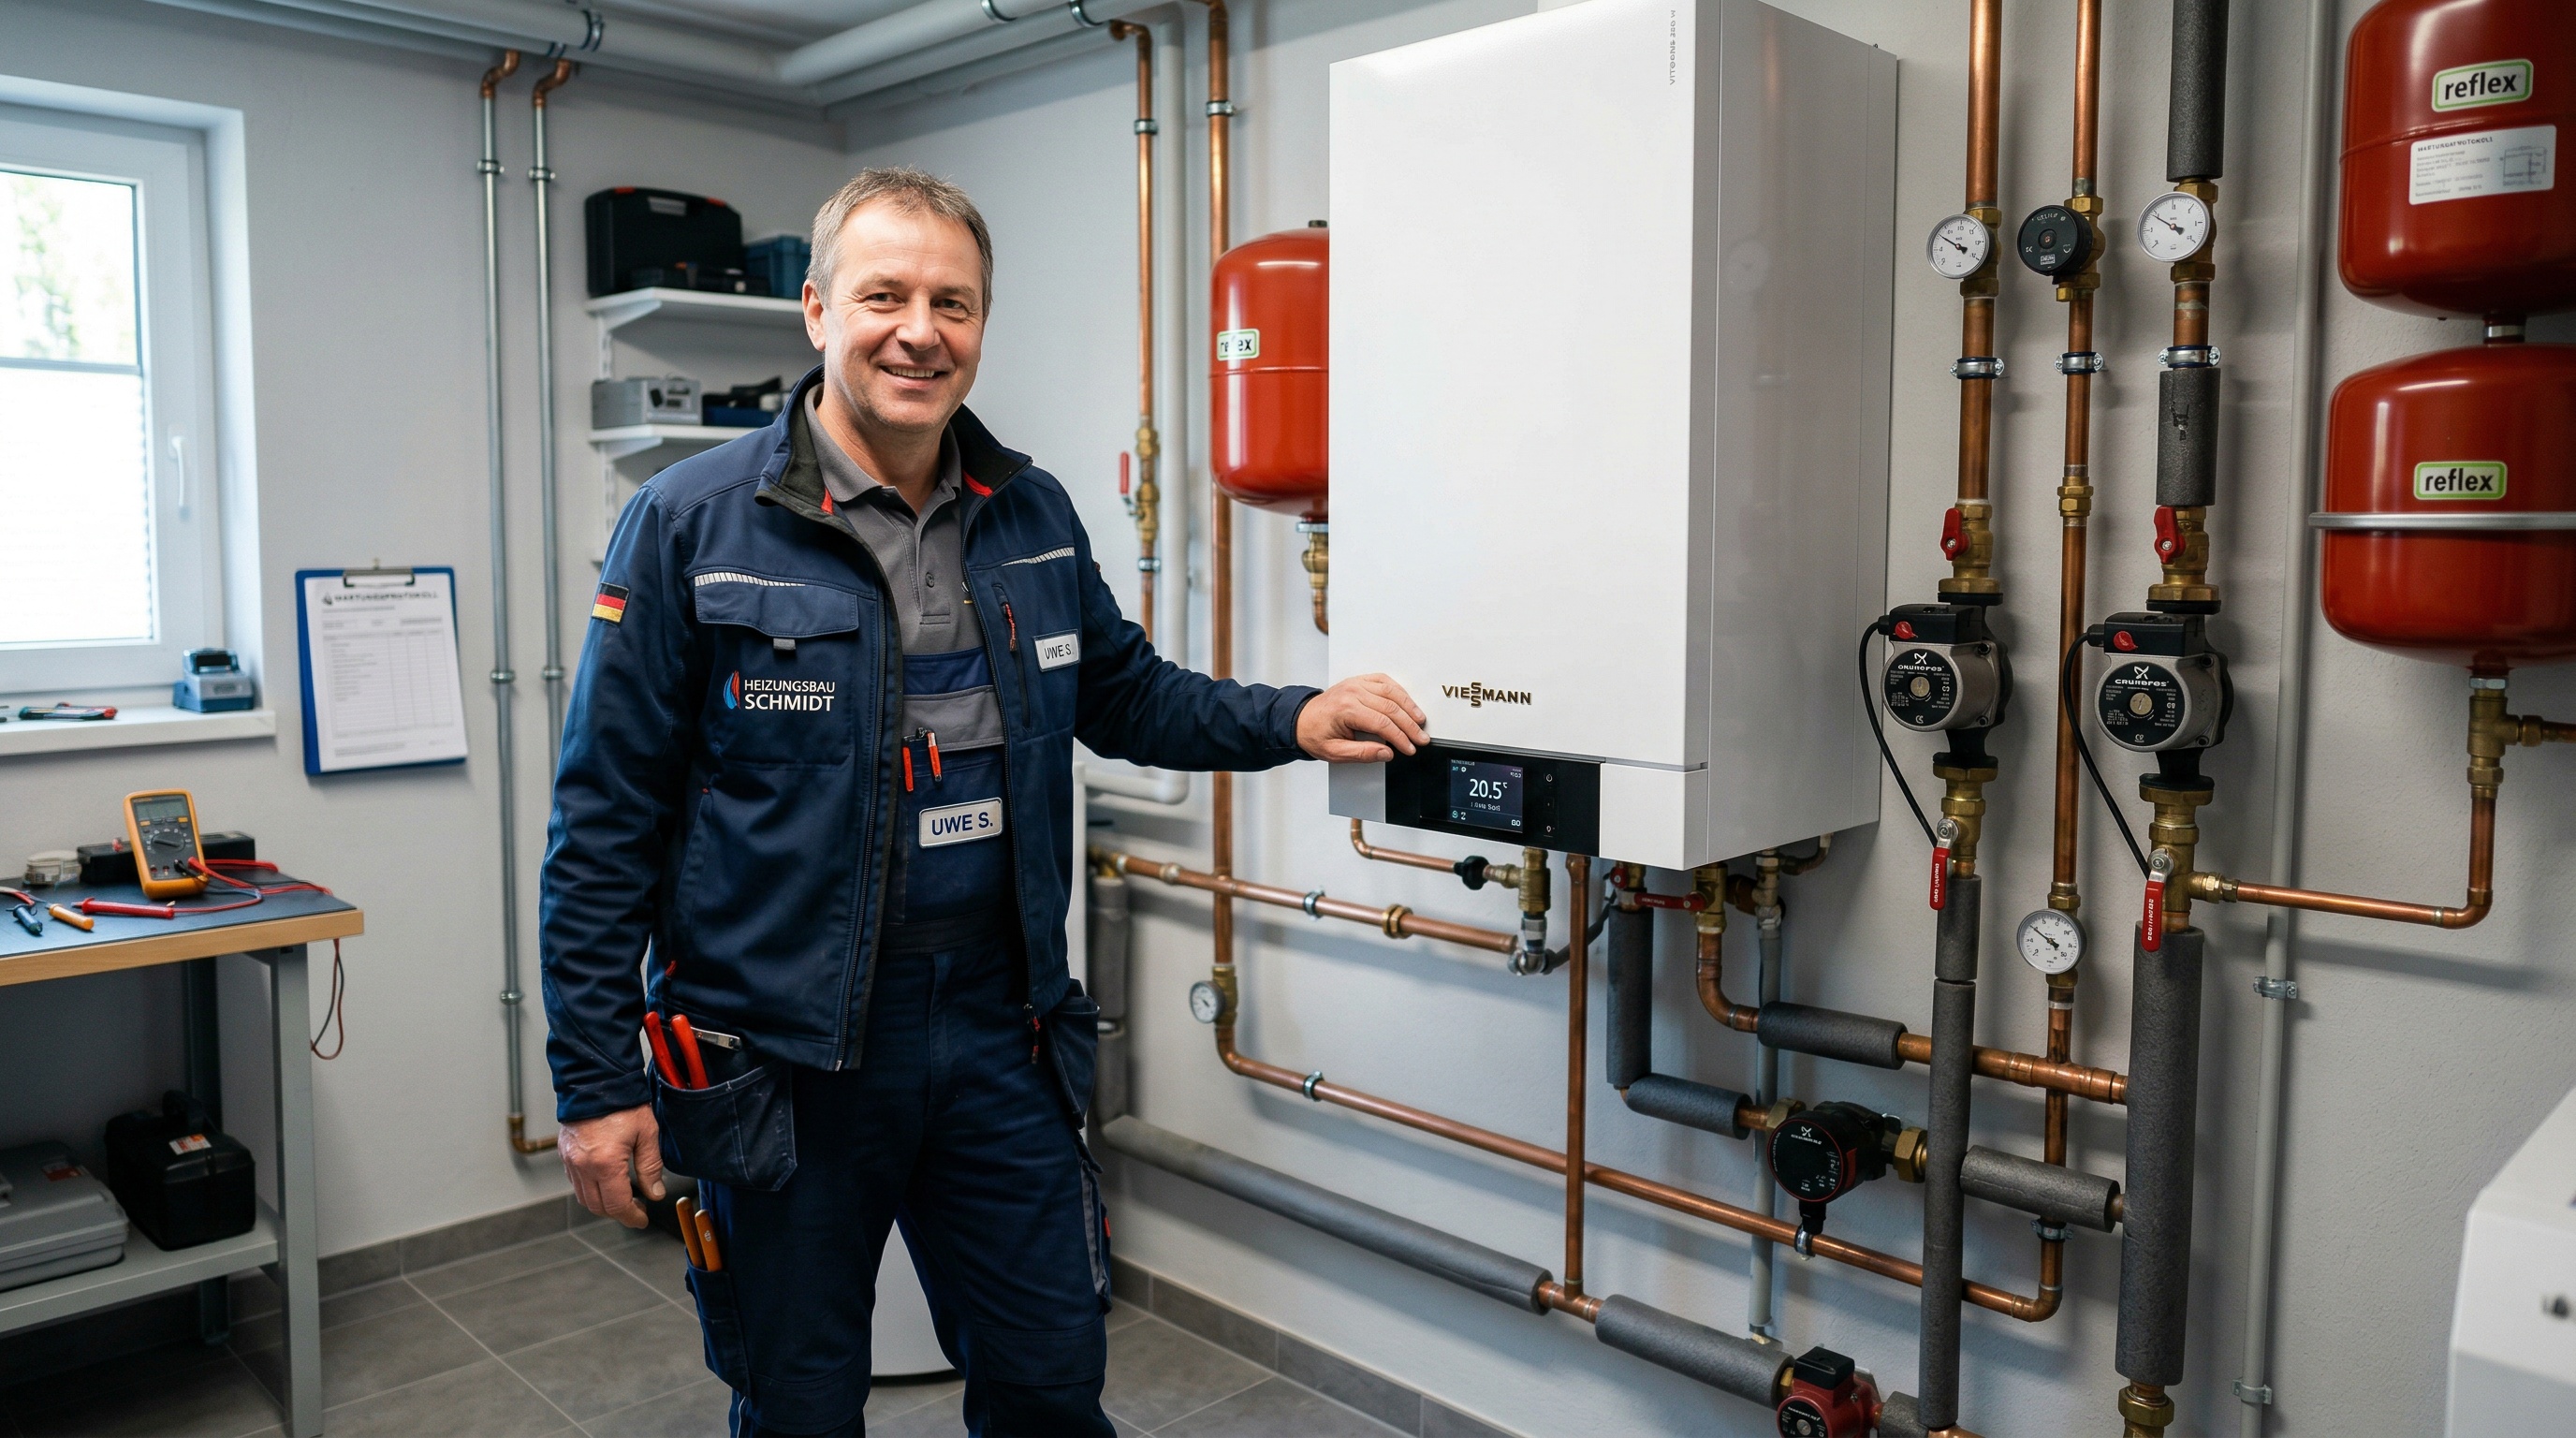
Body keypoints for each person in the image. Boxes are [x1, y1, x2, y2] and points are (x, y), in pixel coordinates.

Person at [538, 166, 1427, 1438]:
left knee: (1053, 1380)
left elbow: (1126, 695)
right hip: (785, 1052)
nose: (920, 330)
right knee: (797, 1403)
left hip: (997, 1027)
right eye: (884, 294)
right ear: (814, 311)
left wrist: (1293, 715)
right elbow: (603, 821)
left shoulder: (1031, 515)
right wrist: (591, 1080)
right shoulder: (691, 524)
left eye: (952, 302)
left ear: (980, 324)